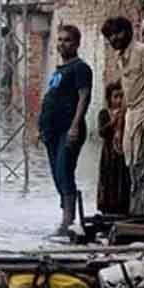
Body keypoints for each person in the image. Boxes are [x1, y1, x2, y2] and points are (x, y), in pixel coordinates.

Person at [101, 16, 144, 217]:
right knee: (132, 167)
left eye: (117, 33)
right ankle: (138, 211)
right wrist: (119, 129)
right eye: (110, 36)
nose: (114, 39)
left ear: (127, 31)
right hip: (131, 117)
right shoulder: (122, 58)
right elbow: (127, 97)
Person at [38, 24, 93, 236]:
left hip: (68, 129)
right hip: (51, 131)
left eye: (67, 40)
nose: (62, 44)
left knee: (64, 171)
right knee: (56, 175)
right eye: (59, 40)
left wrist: (75, 126)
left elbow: (84, 97)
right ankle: (66, 218)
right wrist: (41, 128)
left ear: (77, 44)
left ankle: (68, 222)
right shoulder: (59, 70)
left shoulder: (80, 68)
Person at [97, 81, 130, 215]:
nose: (119, 100)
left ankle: (121, 208)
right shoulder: (104, 113)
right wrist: (112, 122)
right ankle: (107, 208)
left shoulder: (127, 113)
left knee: (122, 180)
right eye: (115, 97)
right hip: (108, 154)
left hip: (122, 153)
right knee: (108, 179)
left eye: (121, 97)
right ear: (109, 98)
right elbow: (101, 132)